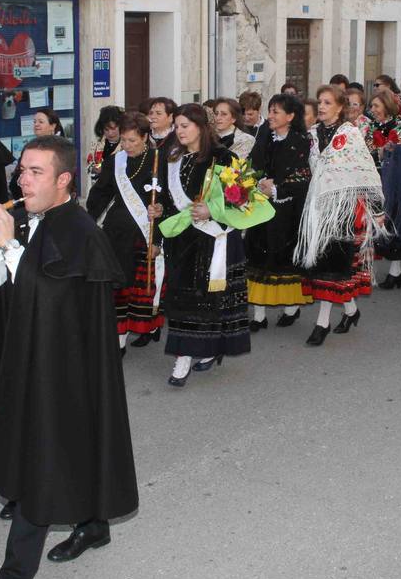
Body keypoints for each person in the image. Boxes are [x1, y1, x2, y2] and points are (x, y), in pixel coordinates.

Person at [0, 136, 136, 579]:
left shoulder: (80, 231)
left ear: (63, 181)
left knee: (43, 466)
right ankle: (93, 525)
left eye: (35, 172)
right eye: (22, 171)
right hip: (30, 362)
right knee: (74, 449)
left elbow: (54, 300)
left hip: (67, 370)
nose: (23, 180)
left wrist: (10, 245)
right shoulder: (26, 223)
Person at [150, 103, 252, 387]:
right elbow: (170, 203)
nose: (179, 131)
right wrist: (160, 212)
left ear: (201, 127)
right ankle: (186, 354)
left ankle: (202, 351)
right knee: (183, 299)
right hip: (182, 241)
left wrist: (212, 210)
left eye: (185, 126)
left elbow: (243, 198)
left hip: (214, 239)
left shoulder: (224, 158)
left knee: (210, 300)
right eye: (177, 126)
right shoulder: (172, 159)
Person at [295, 85, 385, 346]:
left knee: (332, 266)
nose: (321, 107)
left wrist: (376, 208)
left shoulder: (350, 134)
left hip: (343, 208)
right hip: (318, 206)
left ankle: (322, 323)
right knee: (323, 263)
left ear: (339, 107)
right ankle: (351, 311)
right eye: (319, 102)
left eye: (327, 102)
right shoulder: (312, 135)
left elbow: (365, 171)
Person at [84, 111, 166, 350]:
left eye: (132, 140)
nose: (127, 145)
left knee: (142, 288)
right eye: (124, 140)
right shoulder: (116, 161)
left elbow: (165, 202)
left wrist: (158, 239)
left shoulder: (158, 160)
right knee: (118, 287)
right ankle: (118, 340)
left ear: (144, 136)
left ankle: (148, 327)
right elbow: (101, 193)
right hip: (117, 231)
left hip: (145, 231)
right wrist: (88, 219)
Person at [245, 94, 312, 331]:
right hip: (261, 205)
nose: (271, 116)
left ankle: (291, 307)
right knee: (257, 255)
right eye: (270, 111)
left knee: (283, 258)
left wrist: (277, 188)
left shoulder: (302, 141)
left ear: (291, 116)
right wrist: (259, 180)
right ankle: (258, 315)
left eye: (276, 112)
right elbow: (253, 163)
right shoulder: (264, 135)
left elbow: (304, 176)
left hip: (288, 210)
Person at [366, 90, 401, 288]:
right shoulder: (371, 126)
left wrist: (389, 152)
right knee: (385, 223)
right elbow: (367, 152)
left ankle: (394, 272)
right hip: (378, 179)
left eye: (376, 106)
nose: (372, 110)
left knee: (395, 223)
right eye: (372, 106)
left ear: (387, 106)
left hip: (399, 182)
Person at [8, 108, 64, 199]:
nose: (36, 125)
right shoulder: (30, 147)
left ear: (53, 126)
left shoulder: (60, 148)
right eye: (34, 122)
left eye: (41, 122)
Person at [86, 105, 124, 182]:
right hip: (99, 187)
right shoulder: (97, 144)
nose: (110, 133)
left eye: (113, 129)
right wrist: (96, 168)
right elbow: (89, 164)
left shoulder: (126, 144)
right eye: (106, 129)